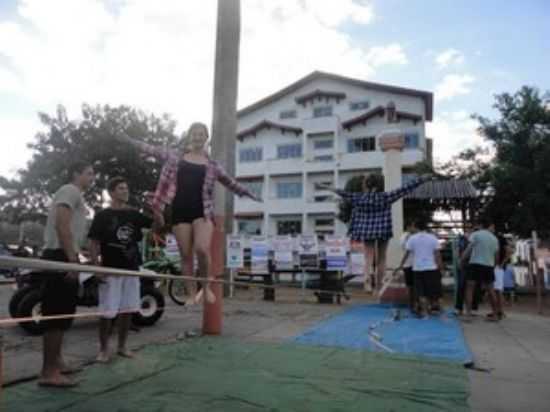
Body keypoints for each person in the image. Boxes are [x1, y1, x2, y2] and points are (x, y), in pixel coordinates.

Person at [115, 122, 261, 304]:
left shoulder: (212, 165)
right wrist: (129, 141)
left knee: (201, 248)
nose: (197, 137)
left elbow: (231, 183)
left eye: (201, 134)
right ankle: (192, 293)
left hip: (203, 211)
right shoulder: (175, 156)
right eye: (194, 133)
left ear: (206, 138)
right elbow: (151, 149)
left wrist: (250, 194)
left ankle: (205, 287)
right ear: (189, 136)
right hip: (180, 210)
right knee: (185, 254)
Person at [318, 174, 430, 291]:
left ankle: (367, 284)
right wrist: (422, 179)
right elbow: (405, 188)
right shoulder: (385, 197)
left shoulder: (359, 197)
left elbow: (342, 192)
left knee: (368, 258)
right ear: (378, 186)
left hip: (366, 231)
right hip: (383, 230)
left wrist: (326, 187)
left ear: (366, 186)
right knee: (382, 258)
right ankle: (379, 284)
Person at [39, 161, 95, 387]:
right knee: (55, 316)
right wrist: (72, 259)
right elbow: (62, 226)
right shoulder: (70, 190)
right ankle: (48, 372)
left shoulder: (76, 196)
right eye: (89, 173)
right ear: (75, 173)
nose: (92, 178)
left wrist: (78, 254)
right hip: (60, 257)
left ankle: (57, 363)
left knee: (62, 316)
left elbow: (69, 230)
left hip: (65, 255)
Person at [88, 177, 153, 363]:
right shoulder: (102, 216)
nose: (126, 191)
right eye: (121, 188)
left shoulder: (134, 214)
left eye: (126, 188)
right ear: (111, 192)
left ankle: (122, 346)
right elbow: (93, 242)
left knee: (128, 310)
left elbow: (156, 226)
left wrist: (158, 213)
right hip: (110, 270)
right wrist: (96, 266)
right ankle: (103, 350)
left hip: (132, 270)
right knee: (107, 312)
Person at [396, 218, 443, 317]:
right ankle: (431, 308)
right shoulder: (433, 238)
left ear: (416, 227)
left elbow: (407, 254)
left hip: (417, 268)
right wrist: (440, 267)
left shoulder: (412, 238)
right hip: (431, 268)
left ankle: (424, 312)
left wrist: (400, 265)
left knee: (420, 291)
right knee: (430, 290)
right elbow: (437, 254)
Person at [461, 217, 500, 321]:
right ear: (489, 226)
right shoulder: (494, 238)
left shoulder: (476, 235)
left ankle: (468, 314)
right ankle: (495, 315)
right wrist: (493, 266)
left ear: (481, 225)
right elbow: (496, 256)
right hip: (488, 266)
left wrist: (462, 259)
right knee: (491, 290)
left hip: (475, 264)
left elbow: (469, 249)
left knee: (470, 289)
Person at [399, 220, 419, 313]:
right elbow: (404, 247)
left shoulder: (417, 235)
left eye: (415, 226)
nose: (414, 228)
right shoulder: (404, 236)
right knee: (410, 286)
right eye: (413, 226)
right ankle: (411, 305)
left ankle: (417, 304)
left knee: (417, 285)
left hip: (417, 265)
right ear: (408, 227)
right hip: (408, 264)